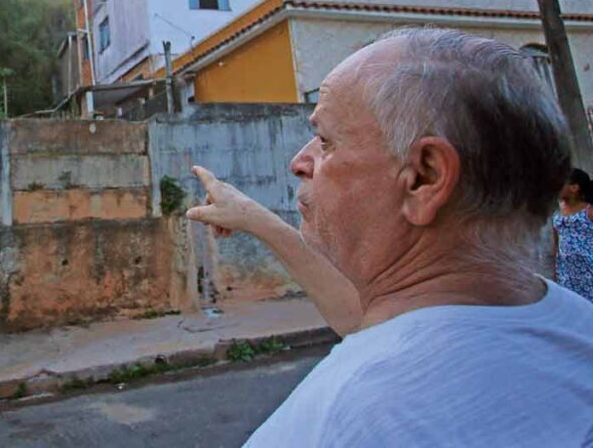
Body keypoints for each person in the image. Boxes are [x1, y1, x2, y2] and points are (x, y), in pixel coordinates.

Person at [187, 28, 593, 447]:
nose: (298, 162)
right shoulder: (568, 330)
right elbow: (373, 323)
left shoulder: (348, 421)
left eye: (325, 141)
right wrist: (256, 219)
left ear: (425, 177)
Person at [553, 168, 593, 301]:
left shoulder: (589, 211)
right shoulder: (558, 210)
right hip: (566, 271)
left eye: (561, 183)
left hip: (588, 269)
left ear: (574, 188)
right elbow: (556, 241)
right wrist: (555, 269)